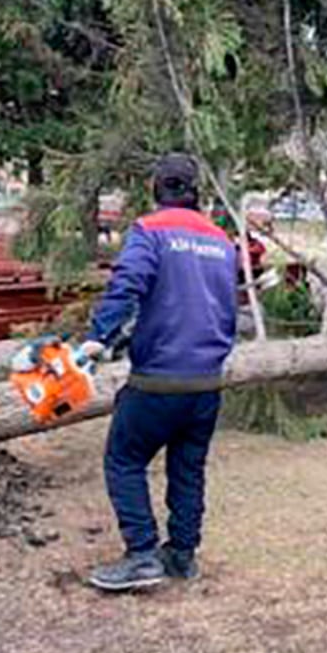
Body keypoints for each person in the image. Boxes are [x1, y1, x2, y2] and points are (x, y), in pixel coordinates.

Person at [82, 153, 238, 592]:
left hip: (158, 378)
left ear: (157, 187)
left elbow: (127, 285)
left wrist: (99, 336)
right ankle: (182, 556)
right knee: (188, 470)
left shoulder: (150, 231)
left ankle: (142, 554)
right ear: (195, 191)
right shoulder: (222, 241)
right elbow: (228, 304)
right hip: (207, 380)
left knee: (123, 460)